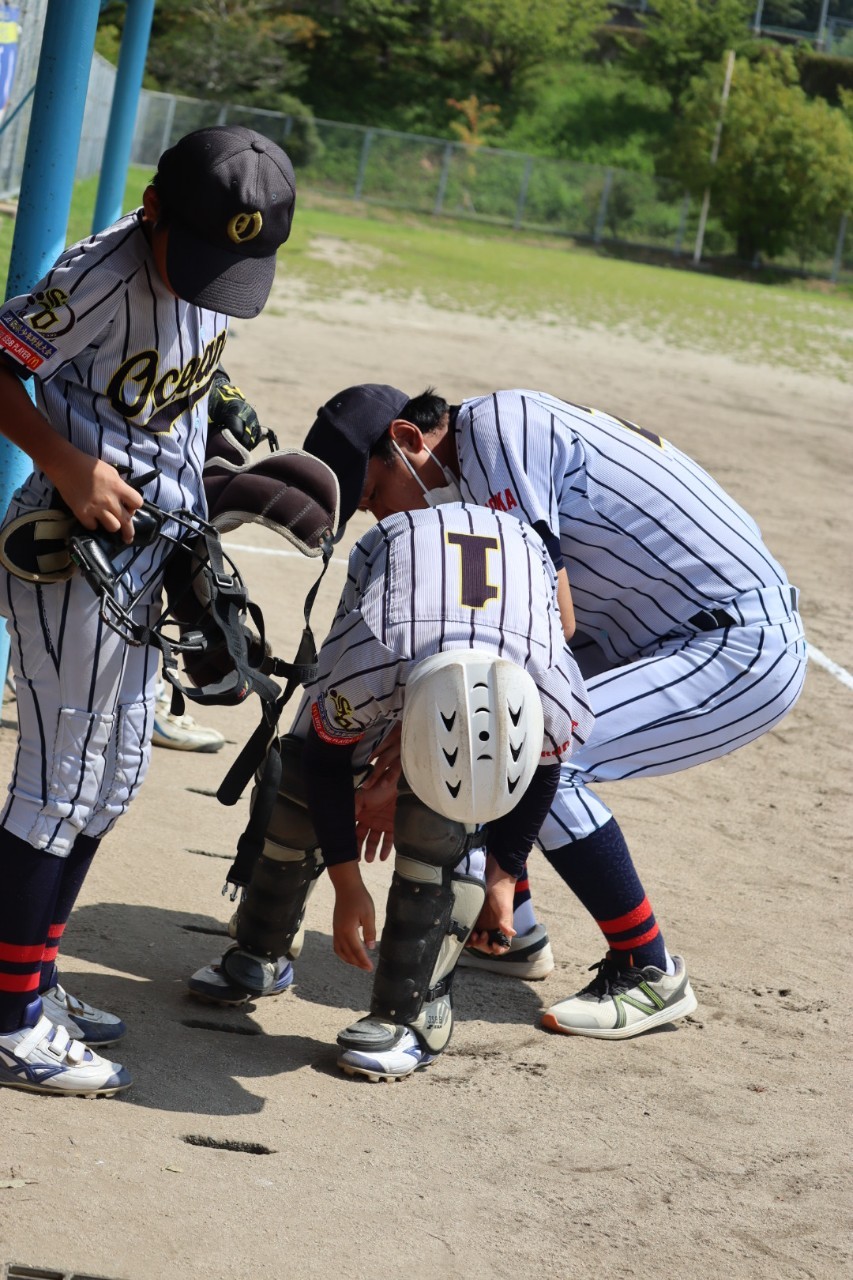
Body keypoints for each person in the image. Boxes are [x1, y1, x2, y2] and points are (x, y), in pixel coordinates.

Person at [300, 382, 807, 1040]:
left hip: (732, 644)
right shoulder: (477, 465)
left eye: (372, 497)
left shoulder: (493, 431)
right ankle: (513, 932)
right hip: (653, 632)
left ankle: (646, 969)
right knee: (488, 723)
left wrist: (409, 749)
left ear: (406, 441)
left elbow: (555, 622)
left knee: (537, 746)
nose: (381, 520)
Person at [0, 123, 297, 1096]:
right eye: (202, 257)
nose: (213, 284)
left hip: (150, 548)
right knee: (62, 778)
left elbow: (183, 375)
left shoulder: (212, 275)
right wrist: (66, 460)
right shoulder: (96, 275)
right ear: (155, 210)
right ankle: (7, 1018)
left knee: (116, 770)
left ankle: (31, 979)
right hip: (71, 542)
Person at [189, 501, 593, 1079]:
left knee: (440, 829)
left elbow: (543, 772)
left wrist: (504, 878)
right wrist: (348, 886)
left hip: (484, 614)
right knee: (297, 784)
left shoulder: (552, 690)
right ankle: (263, 943)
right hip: (400, 570)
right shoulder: (374, 650)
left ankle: (415, 1012)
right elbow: (327, 760)